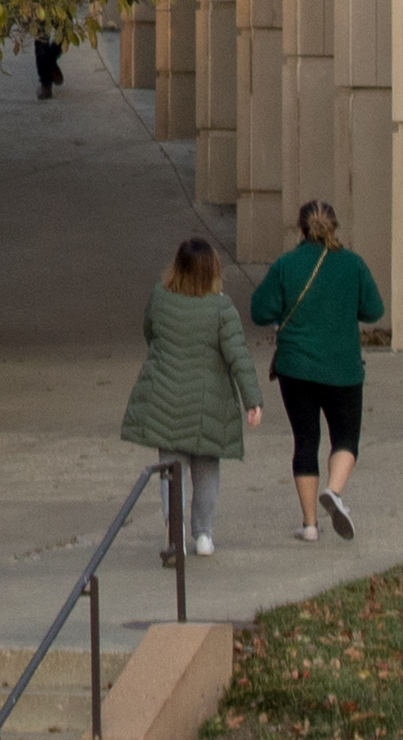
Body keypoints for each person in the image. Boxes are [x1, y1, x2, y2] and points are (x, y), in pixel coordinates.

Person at [248, 200, 386, 543]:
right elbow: (374, 309)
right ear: (335, 228)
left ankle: (309, 525)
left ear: (301, 229)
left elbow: (260, 310)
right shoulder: (353, 264)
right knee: (345, 437)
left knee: (305, 440)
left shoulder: (285, 265)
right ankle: (334, 492)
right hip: (343, 368)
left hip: (296, 368)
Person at [121, 234, 261, 555]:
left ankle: (175, 533)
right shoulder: (221, 309)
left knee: (171, 470)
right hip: (208, 403)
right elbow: (238, 356)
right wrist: (252, 400)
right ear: (213, 270)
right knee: (206, 468)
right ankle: (203, 535)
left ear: (177, 267)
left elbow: (149, 333)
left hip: (164, 397)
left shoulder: (160, 298)